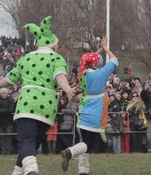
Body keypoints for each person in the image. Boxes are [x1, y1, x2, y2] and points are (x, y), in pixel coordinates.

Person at [0, 16, 75, 175]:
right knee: (30, 145)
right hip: (47, 109)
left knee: (26, 142)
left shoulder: (26, 58)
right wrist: (67, 89)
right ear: (53, 45)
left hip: (28, 105)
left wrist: (67, 88)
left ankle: (32, 172)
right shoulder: (57, 58)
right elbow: (59, 75)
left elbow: (8, 80)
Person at [60, 36, 118, 175]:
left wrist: (98, 50)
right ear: (97, 64)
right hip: (95, 111)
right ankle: (70, 152)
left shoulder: (82, 73)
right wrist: (105, 48)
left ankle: (83, 171)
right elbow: (115, 60)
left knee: (84, 141)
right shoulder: (100, 74)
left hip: (84, 109)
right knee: (88, 144)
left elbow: (86, 60)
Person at [0, 87, 16, 155]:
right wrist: (6, 110)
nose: (4, 94)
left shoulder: (10, 99)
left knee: (9, 137)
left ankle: (9, 151)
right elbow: (8, 110)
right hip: (0, 122)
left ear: (7, 93)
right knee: (1, 137)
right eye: (2, 93)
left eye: (5, 93)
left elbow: (10, 110)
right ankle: (3, 151)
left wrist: (2, 111)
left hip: (9, 122)